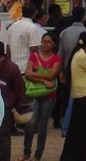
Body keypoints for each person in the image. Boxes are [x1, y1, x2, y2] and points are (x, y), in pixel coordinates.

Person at [58, 31, 86, 161]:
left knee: (76, 127)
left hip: (78, 94)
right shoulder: (84, 57)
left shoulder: (76, 54)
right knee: (85, 129)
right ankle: (82, 156)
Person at [23, 31, 61, 161]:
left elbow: (52, 75)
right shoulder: (34, 56)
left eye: (48, 42)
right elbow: (28, 74)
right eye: (44, 41)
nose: (45, 44)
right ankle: (26, 151)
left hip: (49, 95)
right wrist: (44, 81)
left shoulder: (56, 59)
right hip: (35, 93)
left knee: (42, 124)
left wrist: (35, 74)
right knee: (31, 122)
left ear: (53, 44)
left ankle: (38, 154)